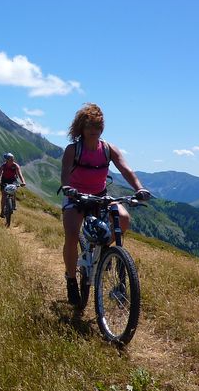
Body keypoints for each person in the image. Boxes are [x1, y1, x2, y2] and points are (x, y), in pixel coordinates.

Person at [59, 103, 150, 306]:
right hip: (76, 196)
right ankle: (71, 280)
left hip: (100, 196)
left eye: (98, 126)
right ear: (81, 127)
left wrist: (139, 188)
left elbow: (127, 170)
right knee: (72, 234)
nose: (94, 130)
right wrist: (67, 188)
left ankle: (105, 254)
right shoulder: (73, 150)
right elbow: (65, 173)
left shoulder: (108, 149)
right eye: (90, 126)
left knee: (124, 219)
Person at [0, 152, 26, 218]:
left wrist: (23, 182)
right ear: (7, 160)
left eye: (13, 159)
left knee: (13, 190)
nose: (12, 160)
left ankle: (14, 204)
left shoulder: (16, 166)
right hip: (4, 180)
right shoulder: (3, 166)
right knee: (3, 196)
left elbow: (20, 174)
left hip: (13, 180)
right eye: (11, 159)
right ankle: (2, 211)